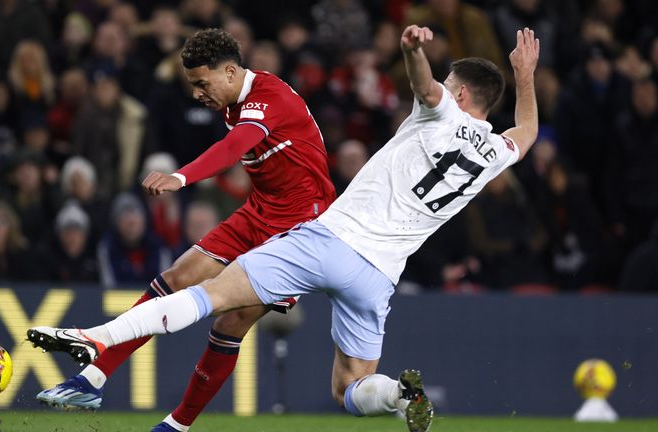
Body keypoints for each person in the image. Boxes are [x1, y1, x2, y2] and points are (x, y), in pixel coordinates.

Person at [28, 26, 540, 432]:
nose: (198, 93)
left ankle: (97, 341)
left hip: (320, 232)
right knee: (350, 388)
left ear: (460, 92)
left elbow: (424, 87)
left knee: (215, 303)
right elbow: (527, 131)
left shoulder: (439, 112)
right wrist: (526, 75)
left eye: (450, 84)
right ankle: (398, 396)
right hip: (377, 275)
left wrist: (412, 50)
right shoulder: (495, 152)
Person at [35, 28, 336, 432]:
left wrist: (180, 177)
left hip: (300, 228)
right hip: (260, 211)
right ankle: (92, 380)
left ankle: (176, 426)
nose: (197, 94)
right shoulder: (232, 101)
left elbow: (231, 149)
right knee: (175, 278)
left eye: (202, 83)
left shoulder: (269, 99)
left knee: (230, 322)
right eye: (192, 84)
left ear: (229, 72)